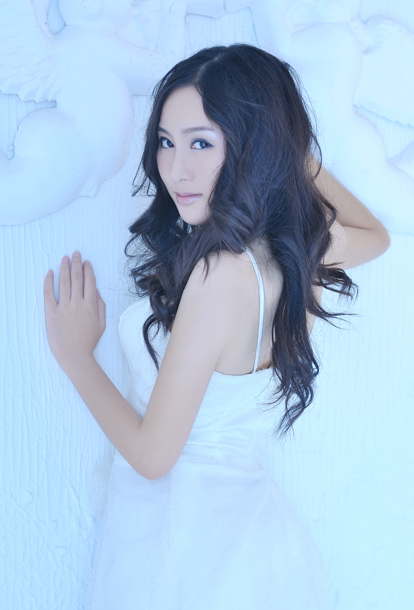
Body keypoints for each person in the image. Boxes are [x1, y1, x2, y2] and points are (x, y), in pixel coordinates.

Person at [43, 44, 390, 609]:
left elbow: (154, 457)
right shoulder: (294, 253)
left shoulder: (222, 274)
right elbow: (375, 235)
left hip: (185, 545)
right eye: (166, 142)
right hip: (249, 536)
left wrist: (76, 356)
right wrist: (288, 156)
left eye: (202, 143)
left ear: (253, 144)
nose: (177, 170)